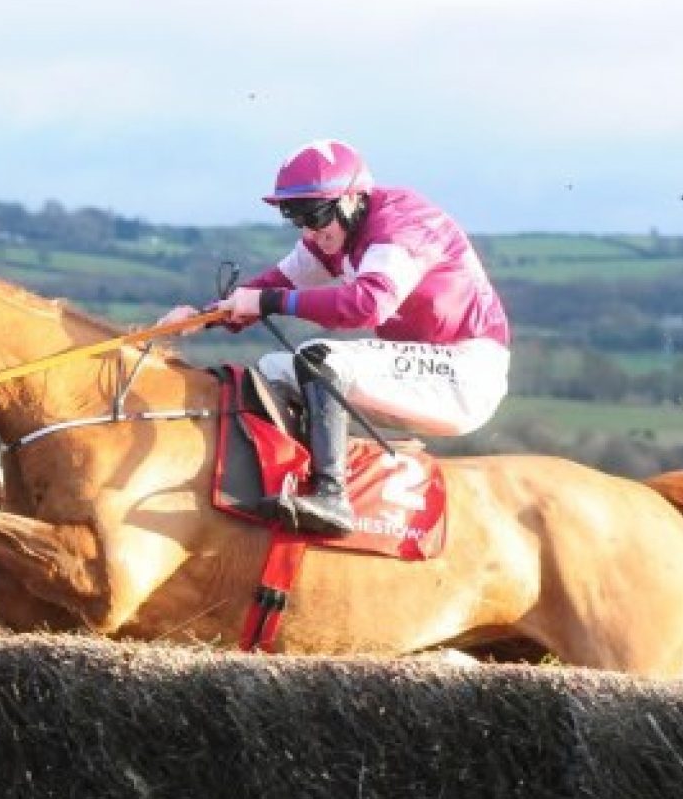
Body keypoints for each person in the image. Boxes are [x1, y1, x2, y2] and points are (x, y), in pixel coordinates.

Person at [163, 139, 511, 536]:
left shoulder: (401, 225)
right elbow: (273, 285)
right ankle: (284, 483)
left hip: (464, 372)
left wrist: (268, 301)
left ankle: (332, 497)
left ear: (350, 200)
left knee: (319, 358)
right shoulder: (331, 236)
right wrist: (205, 316)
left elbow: (367, 305)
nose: (310, 230)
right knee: (272, 371)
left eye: (314, 214)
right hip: (421, 366)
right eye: (297, 218)